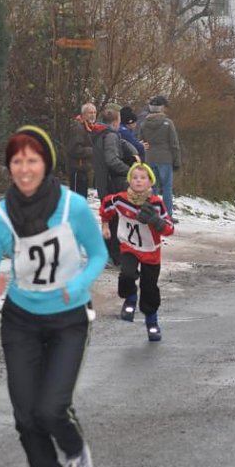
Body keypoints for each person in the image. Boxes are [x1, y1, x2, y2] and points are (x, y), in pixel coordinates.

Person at [0, 125, 108, 467]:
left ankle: (76, 453)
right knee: (26, 414)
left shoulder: (72, 208)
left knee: (51, 409)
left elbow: (97, 255)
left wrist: (80, 282)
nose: (24, 168)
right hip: (20, 321)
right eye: (17, 161)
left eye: (32, 160)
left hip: (69, 319)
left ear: (45, 163)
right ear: (9, 167)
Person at [99, 162, 174, 342]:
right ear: (129, 181)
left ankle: (151, 321)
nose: (138, 181)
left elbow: (170, 229)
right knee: (126, 275)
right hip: (129, 246)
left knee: (150, 289)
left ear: (150, 183)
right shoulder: (120, 199)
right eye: (135, 178)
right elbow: (106, 207)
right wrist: (105, 225)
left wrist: (156, 221)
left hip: (150, 251)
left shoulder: (156, 204)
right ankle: (130, 297)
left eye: (143, 178)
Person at [91, 104, 139, 265]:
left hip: (104, 182)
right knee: (115, 220)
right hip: (112, 183)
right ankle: (114, 256)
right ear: (115, 122)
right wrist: (131, 171)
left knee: (110, 218)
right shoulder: (110, 136)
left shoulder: (101, 133)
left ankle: (108, 255)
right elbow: (111, 160)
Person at [138, 95, 181, 223]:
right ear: (162, 108)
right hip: (165, 158)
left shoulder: (144, 123)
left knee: (153, 187)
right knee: (167, 187)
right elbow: (174, 143)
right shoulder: (168, 123)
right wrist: (176, 161)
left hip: (150, 158)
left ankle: (154, 213)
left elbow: (141, 141)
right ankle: (167, 214)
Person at [65, 102, 95, 197]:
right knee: (77, 198)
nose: (93, 115)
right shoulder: (78, 128)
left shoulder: (88, 127)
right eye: (90, 113)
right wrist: (93, 150)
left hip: (83, 169)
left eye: (94, 112)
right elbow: (74, 149)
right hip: (77, 169)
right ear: (83, 114)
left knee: (82, 198)